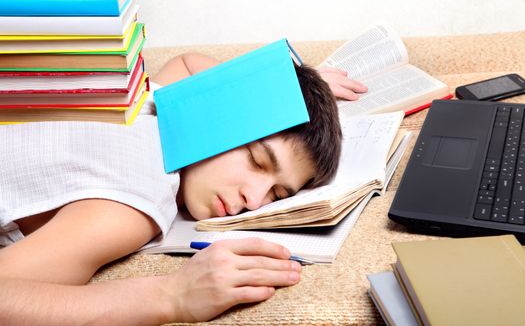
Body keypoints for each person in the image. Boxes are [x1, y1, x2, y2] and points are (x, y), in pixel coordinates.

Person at [0, 52, 367, 325]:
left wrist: (289, 90)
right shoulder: (133, 204)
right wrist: (172, 296)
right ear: (221, 116)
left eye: (277, 194)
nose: (253, 200)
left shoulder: (157, 98)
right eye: (256, 160)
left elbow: (190, 63)